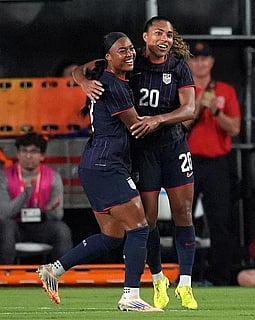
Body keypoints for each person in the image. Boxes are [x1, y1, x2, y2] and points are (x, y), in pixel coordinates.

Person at [75, 16, 198, 310]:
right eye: (158, 33)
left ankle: (185, 284)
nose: (164, 38)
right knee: (149, 220)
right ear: (145, 37)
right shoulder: (131, 60)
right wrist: (82, 81)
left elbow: (190, 109)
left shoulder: (178, 65)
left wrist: (158, 119)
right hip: (143, 150)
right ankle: (157, 279)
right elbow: (82, 68)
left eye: (169, 34)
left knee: (183, 212)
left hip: (174, 145)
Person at [37, 32, 162, 312]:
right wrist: (168, 119)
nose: (129, 54)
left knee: (112, 236)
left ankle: (53, 270)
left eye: (131, 49)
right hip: (107, 165)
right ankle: (130, 297)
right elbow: (136, 127)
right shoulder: (114, 86)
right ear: (109, 58)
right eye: (122, 51)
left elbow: (78, 68)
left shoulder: (103, 75)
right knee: (139, 228)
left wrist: (80, 80)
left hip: (96, 163)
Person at [185, 41, 242, 286]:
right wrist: (198, 107)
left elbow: (236, 128)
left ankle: (220, 278)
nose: (200, 63)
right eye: (195, 58)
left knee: (220, 222)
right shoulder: (182, 89)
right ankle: (184, 276)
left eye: (204, 58)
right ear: (189, 62)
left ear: (211, 62)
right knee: (184, 221)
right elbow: (178, 126)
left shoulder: (225, 91)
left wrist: (216, 112)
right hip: (187, 161)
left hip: (217, 162)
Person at [0, 132, 72, 264]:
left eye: (33, 151)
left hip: (42, 225)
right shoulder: (4, 176)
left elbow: (58, 216)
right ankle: (4, 276)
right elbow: (4, 214)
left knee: (62, 230)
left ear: (42, 156)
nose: (28, 156)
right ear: (18, 154)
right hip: (16, 226)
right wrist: (26, 194)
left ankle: (62, 276)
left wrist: (50, 210)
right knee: (6, 227)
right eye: (24, 151)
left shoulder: (53, 177)